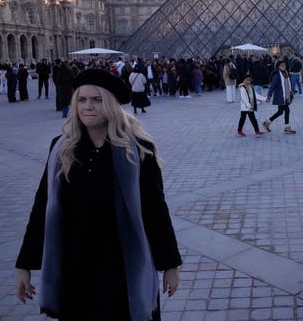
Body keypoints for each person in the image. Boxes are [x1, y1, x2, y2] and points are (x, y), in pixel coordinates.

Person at [15, 68, 181, 320]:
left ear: (112, 105)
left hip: (123, 268)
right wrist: (24, 265)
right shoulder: (61, 149)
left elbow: (155, 209)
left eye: (96, 100)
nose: (87, 107)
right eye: (81, 100)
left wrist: (170, 264)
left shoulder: (137, 150)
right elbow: (42, 207)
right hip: (75, 266)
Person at [264, 60, 296, 134]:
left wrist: (292, 92)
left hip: (286, 96)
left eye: (284, 65)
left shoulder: (285, 73)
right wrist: (269, 96)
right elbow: (272, 86)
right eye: (282, 65)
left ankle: (267, 123)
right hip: (281, 97)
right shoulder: (277, 75)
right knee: (287, 110)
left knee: (280, 112)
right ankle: (287, 128)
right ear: (278, 66)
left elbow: (288, 84)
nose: (284, 66)